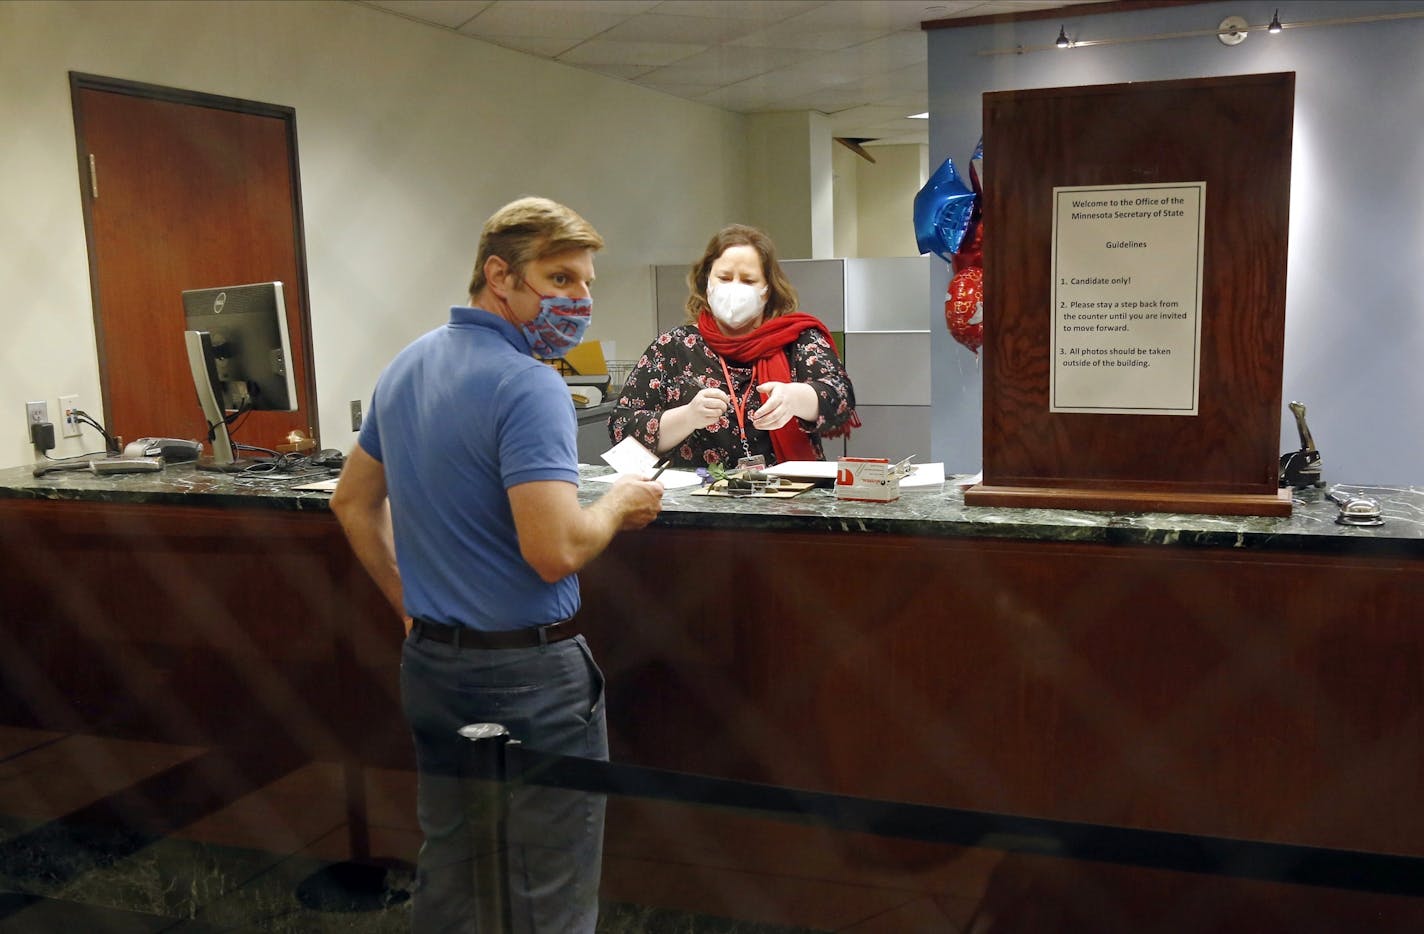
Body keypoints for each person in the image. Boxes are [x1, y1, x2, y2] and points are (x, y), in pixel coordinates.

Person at [330, 196, 664, 933]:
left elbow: (352, 502)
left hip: (432, 666)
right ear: (499, 275)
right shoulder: (531, 384)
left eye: (584, 283)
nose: (578, 299)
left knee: (452, 874)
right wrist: (617, 504)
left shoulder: (408, 365)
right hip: (529, 680)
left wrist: (406, 604)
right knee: (551, 884)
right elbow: (554, 551)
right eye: (559, 278)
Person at [609, 224, 858, 470]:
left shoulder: (797, 339)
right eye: (725, 278)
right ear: (706, 282)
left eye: (748, 280)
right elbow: (621, 428)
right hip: (697, 502)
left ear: (767, 290)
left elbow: (841, 397)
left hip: (788, 499)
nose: (734, 289)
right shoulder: (673, 347)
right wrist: (688, 417)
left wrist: (795, 398)